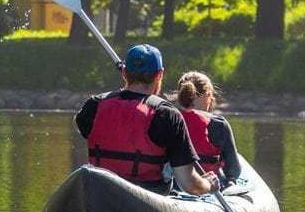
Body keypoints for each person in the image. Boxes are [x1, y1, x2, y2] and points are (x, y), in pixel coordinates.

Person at [74, 43, 214, 194]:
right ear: (159, 74)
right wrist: (208, 185)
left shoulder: (94, 105)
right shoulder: (167, 115)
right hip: (147, 200)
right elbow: (189, 184)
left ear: (124, 73)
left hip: (99, 192)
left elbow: (79, 123)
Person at [175, 70, 242, 188]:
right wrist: (231, 180)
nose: (212, 99)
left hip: (176, 184)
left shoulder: (168, 118)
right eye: (210, 95)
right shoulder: (218, 124)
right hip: (208, 186)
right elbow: (234, 169)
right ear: (206, 96)